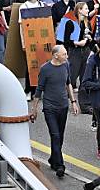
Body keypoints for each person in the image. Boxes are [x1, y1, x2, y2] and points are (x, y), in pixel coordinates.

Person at [30, 45, 78, 179]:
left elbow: (68, 83)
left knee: (59, 136)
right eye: (64, 54)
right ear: (56, 55)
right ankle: (60, 165)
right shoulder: (45, 69)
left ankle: (53, 159)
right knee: (55, 135)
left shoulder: (65, 65)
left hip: (63, 106)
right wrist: (34, 109)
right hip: (50, 107)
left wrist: (73, 102)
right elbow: (39, 89)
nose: (66, 56)